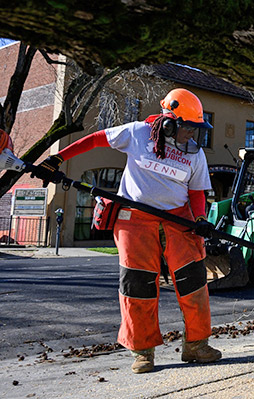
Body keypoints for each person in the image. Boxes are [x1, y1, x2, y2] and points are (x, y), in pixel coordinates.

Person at [33, 88, 221, 373]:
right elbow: (96, 139)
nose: (192, 135)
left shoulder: (195, 155)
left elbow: (196, 192)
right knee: (138, 286)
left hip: (179, 222)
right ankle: (143, 351)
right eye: (188, 128)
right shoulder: (137, 134)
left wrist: (201, 218)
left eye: (197, 129)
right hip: (135, 219)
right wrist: (58, 158)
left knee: (194, 283)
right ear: (169, 122)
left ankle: (197, 345)